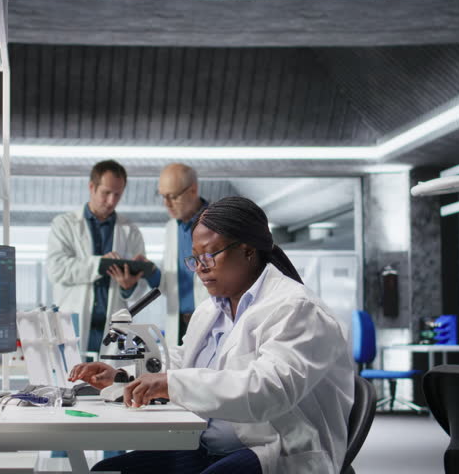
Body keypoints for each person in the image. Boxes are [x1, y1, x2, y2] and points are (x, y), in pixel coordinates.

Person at [69, 196, 355, 474]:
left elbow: (268, 390)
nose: (201, 268)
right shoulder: (210, 310)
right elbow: (181, 364)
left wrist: (170, 383)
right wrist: (121, 376)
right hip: (207, 446)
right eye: (194, 259)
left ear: (247, 250)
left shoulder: (296, 308)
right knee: (107, 470)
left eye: (209, 255)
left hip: (272, 447)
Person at [46, 160, 155, 353]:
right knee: (71, 379)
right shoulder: (64, 225)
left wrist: (128, 287)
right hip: (74, 326)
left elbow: (140, 290)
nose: (112, 201)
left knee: (112, 380)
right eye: (106, 193)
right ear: (91, 187)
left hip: (113, 331)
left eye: (118, 194)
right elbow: (56, 269)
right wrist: (100, 264)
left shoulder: (131, 231)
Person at [155, 163, 210, 345]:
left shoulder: (218, 223)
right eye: (163, 196)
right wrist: (149, 273)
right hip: (179, 324)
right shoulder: (171, 228)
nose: (166, 204)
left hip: (212, 319)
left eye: (173, 196)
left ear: (193, 190)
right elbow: (168, 285)